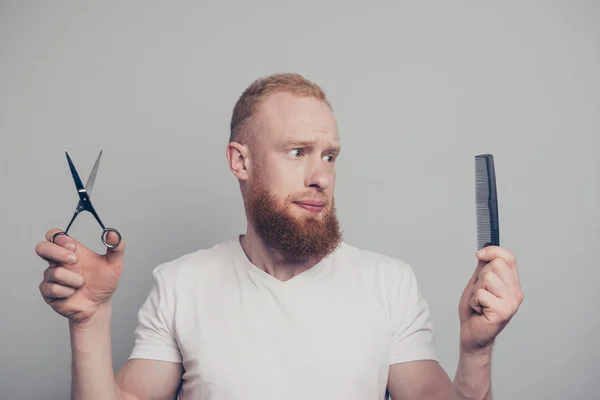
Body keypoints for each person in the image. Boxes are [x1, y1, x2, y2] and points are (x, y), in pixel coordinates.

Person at [35, 73, 524, 400]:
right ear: (240, 161)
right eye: (297, 152)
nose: (321, 176)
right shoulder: (181, 284)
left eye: (329, 156)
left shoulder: (388, 283)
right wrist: (91, 321)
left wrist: (477, 353)